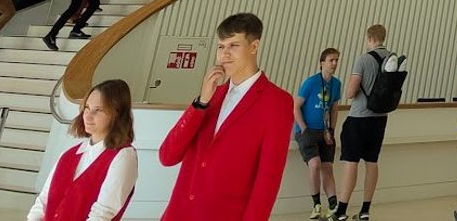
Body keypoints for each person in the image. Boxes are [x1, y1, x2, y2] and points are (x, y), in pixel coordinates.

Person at [158, 12, 293, 221]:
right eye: (221, 46)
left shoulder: (277, 102)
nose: (224, 54)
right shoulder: (211, 96)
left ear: (254, 47)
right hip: (179, 213)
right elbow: (167, 156)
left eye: (233, 45)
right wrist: (200, 103)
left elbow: (268, 180)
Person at [28, 78, 137, 221]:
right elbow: (43, 201)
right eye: (87, 107)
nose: (88, 115)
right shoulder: (68, 155)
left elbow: (103, 214)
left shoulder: (124, 156)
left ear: (117, 114)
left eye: (98, 110)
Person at [333, 24, 401, 221]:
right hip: (380, 119)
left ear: (369, 38)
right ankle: (365, 210)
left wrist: (348, 93)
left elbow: (351, 91)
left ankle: (341, 209)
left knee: (351, 162)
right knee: (372, 162)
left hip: (359, 117)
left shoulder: (363, 59)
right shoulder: (392, 59)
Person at [294, 47, 341, 219]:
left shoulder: (336, 84)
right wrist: (304, 128)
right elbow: (296, 106)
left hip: (325, 132)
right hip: (307, 131)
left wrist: (332, 130)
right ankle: (316, 205)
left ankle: (333, 205)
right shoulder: (311, 82)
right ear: (322, 63)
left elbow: (334, 109)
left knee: (327, 167)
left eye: (336, 60)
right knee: (315, 164)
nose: (334, 63)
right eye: (331, 60)